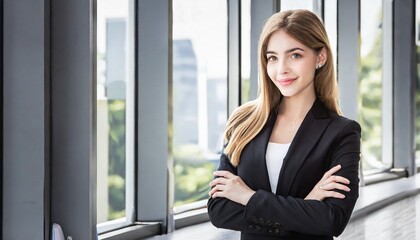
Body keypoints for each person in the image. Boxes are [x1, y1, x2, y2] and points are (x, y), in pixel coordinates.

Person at [207, 9, 361, 240]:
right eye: (272, 58)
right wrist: (306, 206)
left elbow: (332, 219)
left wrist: (248, 197)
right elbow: (219, 211)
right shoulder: (244, 122)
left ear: (320, 57)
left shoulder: (342, 132)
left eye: (295, 55)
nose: (282, 69)